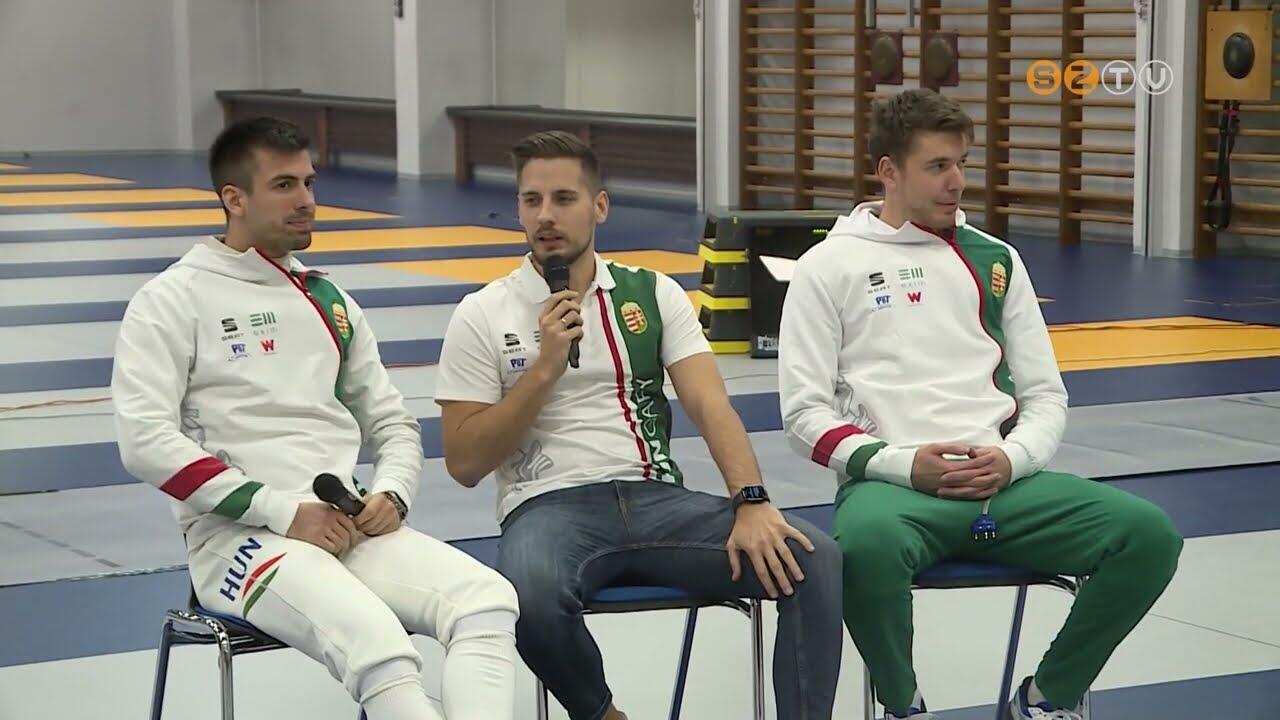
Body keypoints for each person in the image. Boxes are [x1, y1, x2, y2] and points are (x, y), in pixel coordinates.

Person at [777, 89, 1183, 720]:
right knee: (863, 546)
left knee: (1148, 536)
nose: (957, 182)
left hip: (1007, 487)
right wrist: (903, 465)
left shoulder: (997, 259)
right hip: (894, 492)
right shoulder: (826, 266)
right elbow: (804, 417)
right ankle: (902, 703)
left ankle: (1046, 698)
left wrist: (1012, 460)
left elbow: (1045, 396)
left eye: (962, 164)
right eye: (937, 166)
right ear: (889, 171)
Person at [111, 116, 519, 720]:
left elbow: (393, 423)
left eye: (308, 182)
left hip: (344, 528)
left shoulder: (328, 300)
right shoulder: (170, 300)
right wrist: (283, 511)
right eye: (284, 185)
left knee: (486, 599)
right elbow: (144, 442)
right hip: (239, 542)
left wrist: (392, 494)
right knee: (378, 643)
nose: (306, 200)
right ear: (234, 199)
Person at [434, 130, 844, 720]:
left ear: (599, 206)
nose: (546, 216)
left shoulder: (652, 293)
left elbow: (709, 404)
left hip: (657, 499)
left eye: (564, 199)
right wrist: (544, 370)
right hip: (548, 506)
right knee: (524, 596)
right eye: (531, 200)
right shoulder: (482, 313)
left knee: (814, 559)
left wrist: (751, 500)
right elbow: (465, 463)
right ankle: (604, 715)